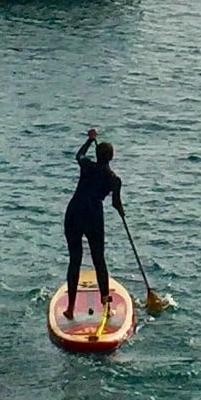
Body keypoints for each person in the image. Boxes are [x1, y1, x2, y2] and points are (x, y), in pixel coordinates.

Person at [65, 128, 124, 319]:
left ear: (97, 155)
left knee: (75, 260)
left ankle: (71, 309)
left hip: (74, 212)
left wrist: (90, 140)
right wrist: (121, 211)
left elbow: (79, 155)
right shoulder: (114, 179)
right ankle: (106, 308)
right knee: (99, 260)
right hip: (93, 216)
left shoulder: (87, 165)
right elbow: (116, 203)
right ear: (111, 158)